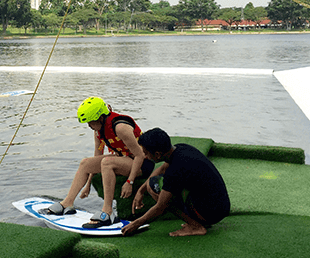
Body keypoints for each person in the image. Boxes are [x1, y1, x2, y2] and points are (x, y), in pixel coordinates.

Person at [45, 96, 155, 228]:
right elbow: (96, 158)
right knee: (85, 163)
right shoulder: (98, 131)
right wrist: (88, 185)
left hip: (142, 163)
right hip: (124, 159)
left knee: (107, 162)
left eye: (91, 122)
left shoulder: (120, 127)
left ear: (100, 117)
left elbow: (139, 155)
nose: (89, 126)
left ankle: (108, 212)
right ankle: (67, 202)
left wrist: (129, 182)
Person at [121, 127, 230, 237]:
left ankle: (196, 226)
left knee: (155, 189)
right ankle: (197, 221)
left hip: (212, 213)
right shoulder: (181, 148)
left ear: (158, 154)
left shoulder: (176, 169)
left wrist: (136, 224)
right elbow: (162, 168)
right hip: (221, 206)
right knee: (152, 184)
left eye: (146, 153)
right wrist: (141, 190)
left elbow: (160, 207)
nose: (145, 156)